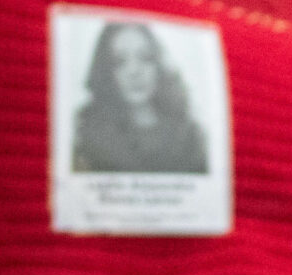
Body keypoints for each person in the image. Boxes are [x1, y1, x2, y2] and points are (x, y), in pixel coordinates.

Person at [70, 20, 206, 173]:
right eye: (119, 61)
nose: (134, 71)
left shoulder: (189, 133)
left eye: (145, 57)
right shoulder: (87, 136)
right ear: (106, 71)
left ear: (158, 64)